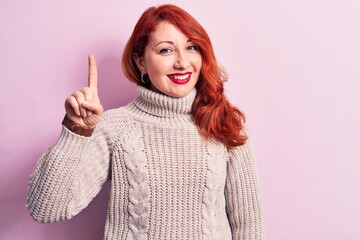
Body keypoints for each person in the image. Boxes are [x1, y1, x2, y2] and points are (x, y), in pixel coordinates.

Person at [27, 4, 264, 240]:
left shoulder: (224, 124)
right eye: (165, 50)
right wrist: (76, 130)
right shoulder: (114, 128)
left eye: (191, 47)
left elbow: (249, 226)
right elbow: (46, 208)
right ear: (141, 62)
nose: (182, 62)